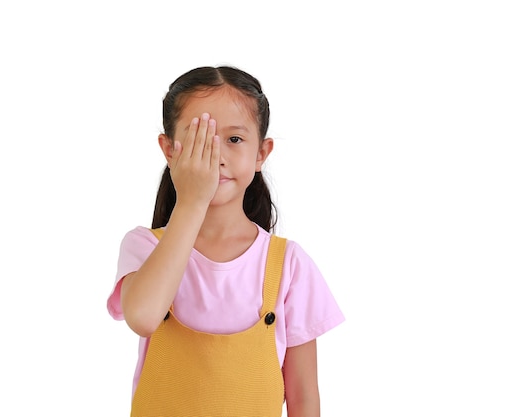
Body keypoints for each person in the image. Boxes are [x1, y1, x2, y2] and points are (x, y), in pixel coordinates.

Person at [107, 65, 345, 417]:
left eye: (234, 140)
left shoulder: (289, 265)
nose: (215, 157)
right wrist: (191, 201)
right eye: (199, 139)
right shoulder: (145, 247)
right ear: (169, 149)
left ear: (261, 153)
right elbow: (142, 316)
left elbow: (304, 397)